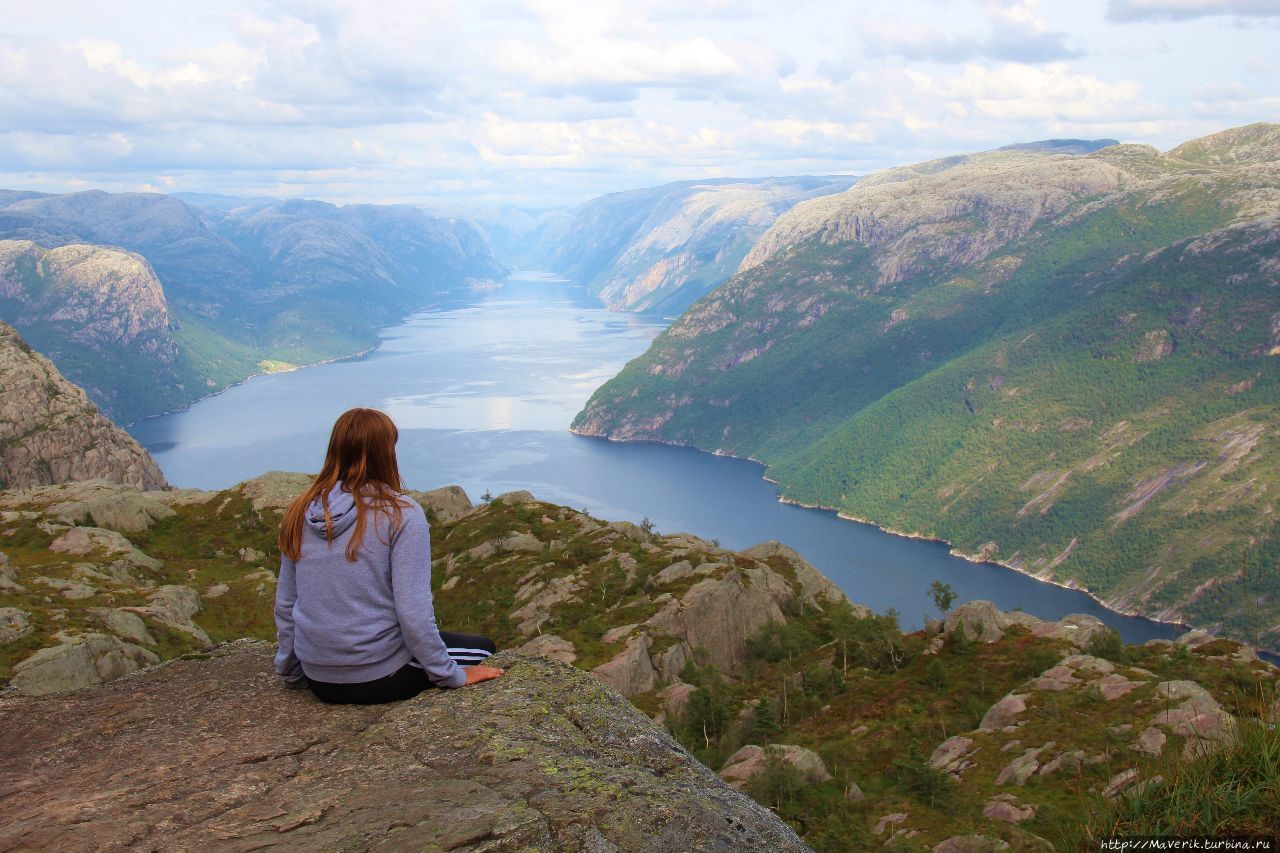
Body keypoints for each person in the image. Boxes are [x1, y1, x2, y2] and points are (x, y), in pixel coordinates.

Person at [273, 407, 503, 704]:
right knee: (483, 650)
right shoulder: (400, 514)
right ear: (386, 453)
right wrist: (451, 676)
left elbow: (287, 603)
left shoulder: (301, 511)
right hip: (380, 677)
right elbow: (413, 612)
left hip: (318, 677)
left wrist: (292, 673)